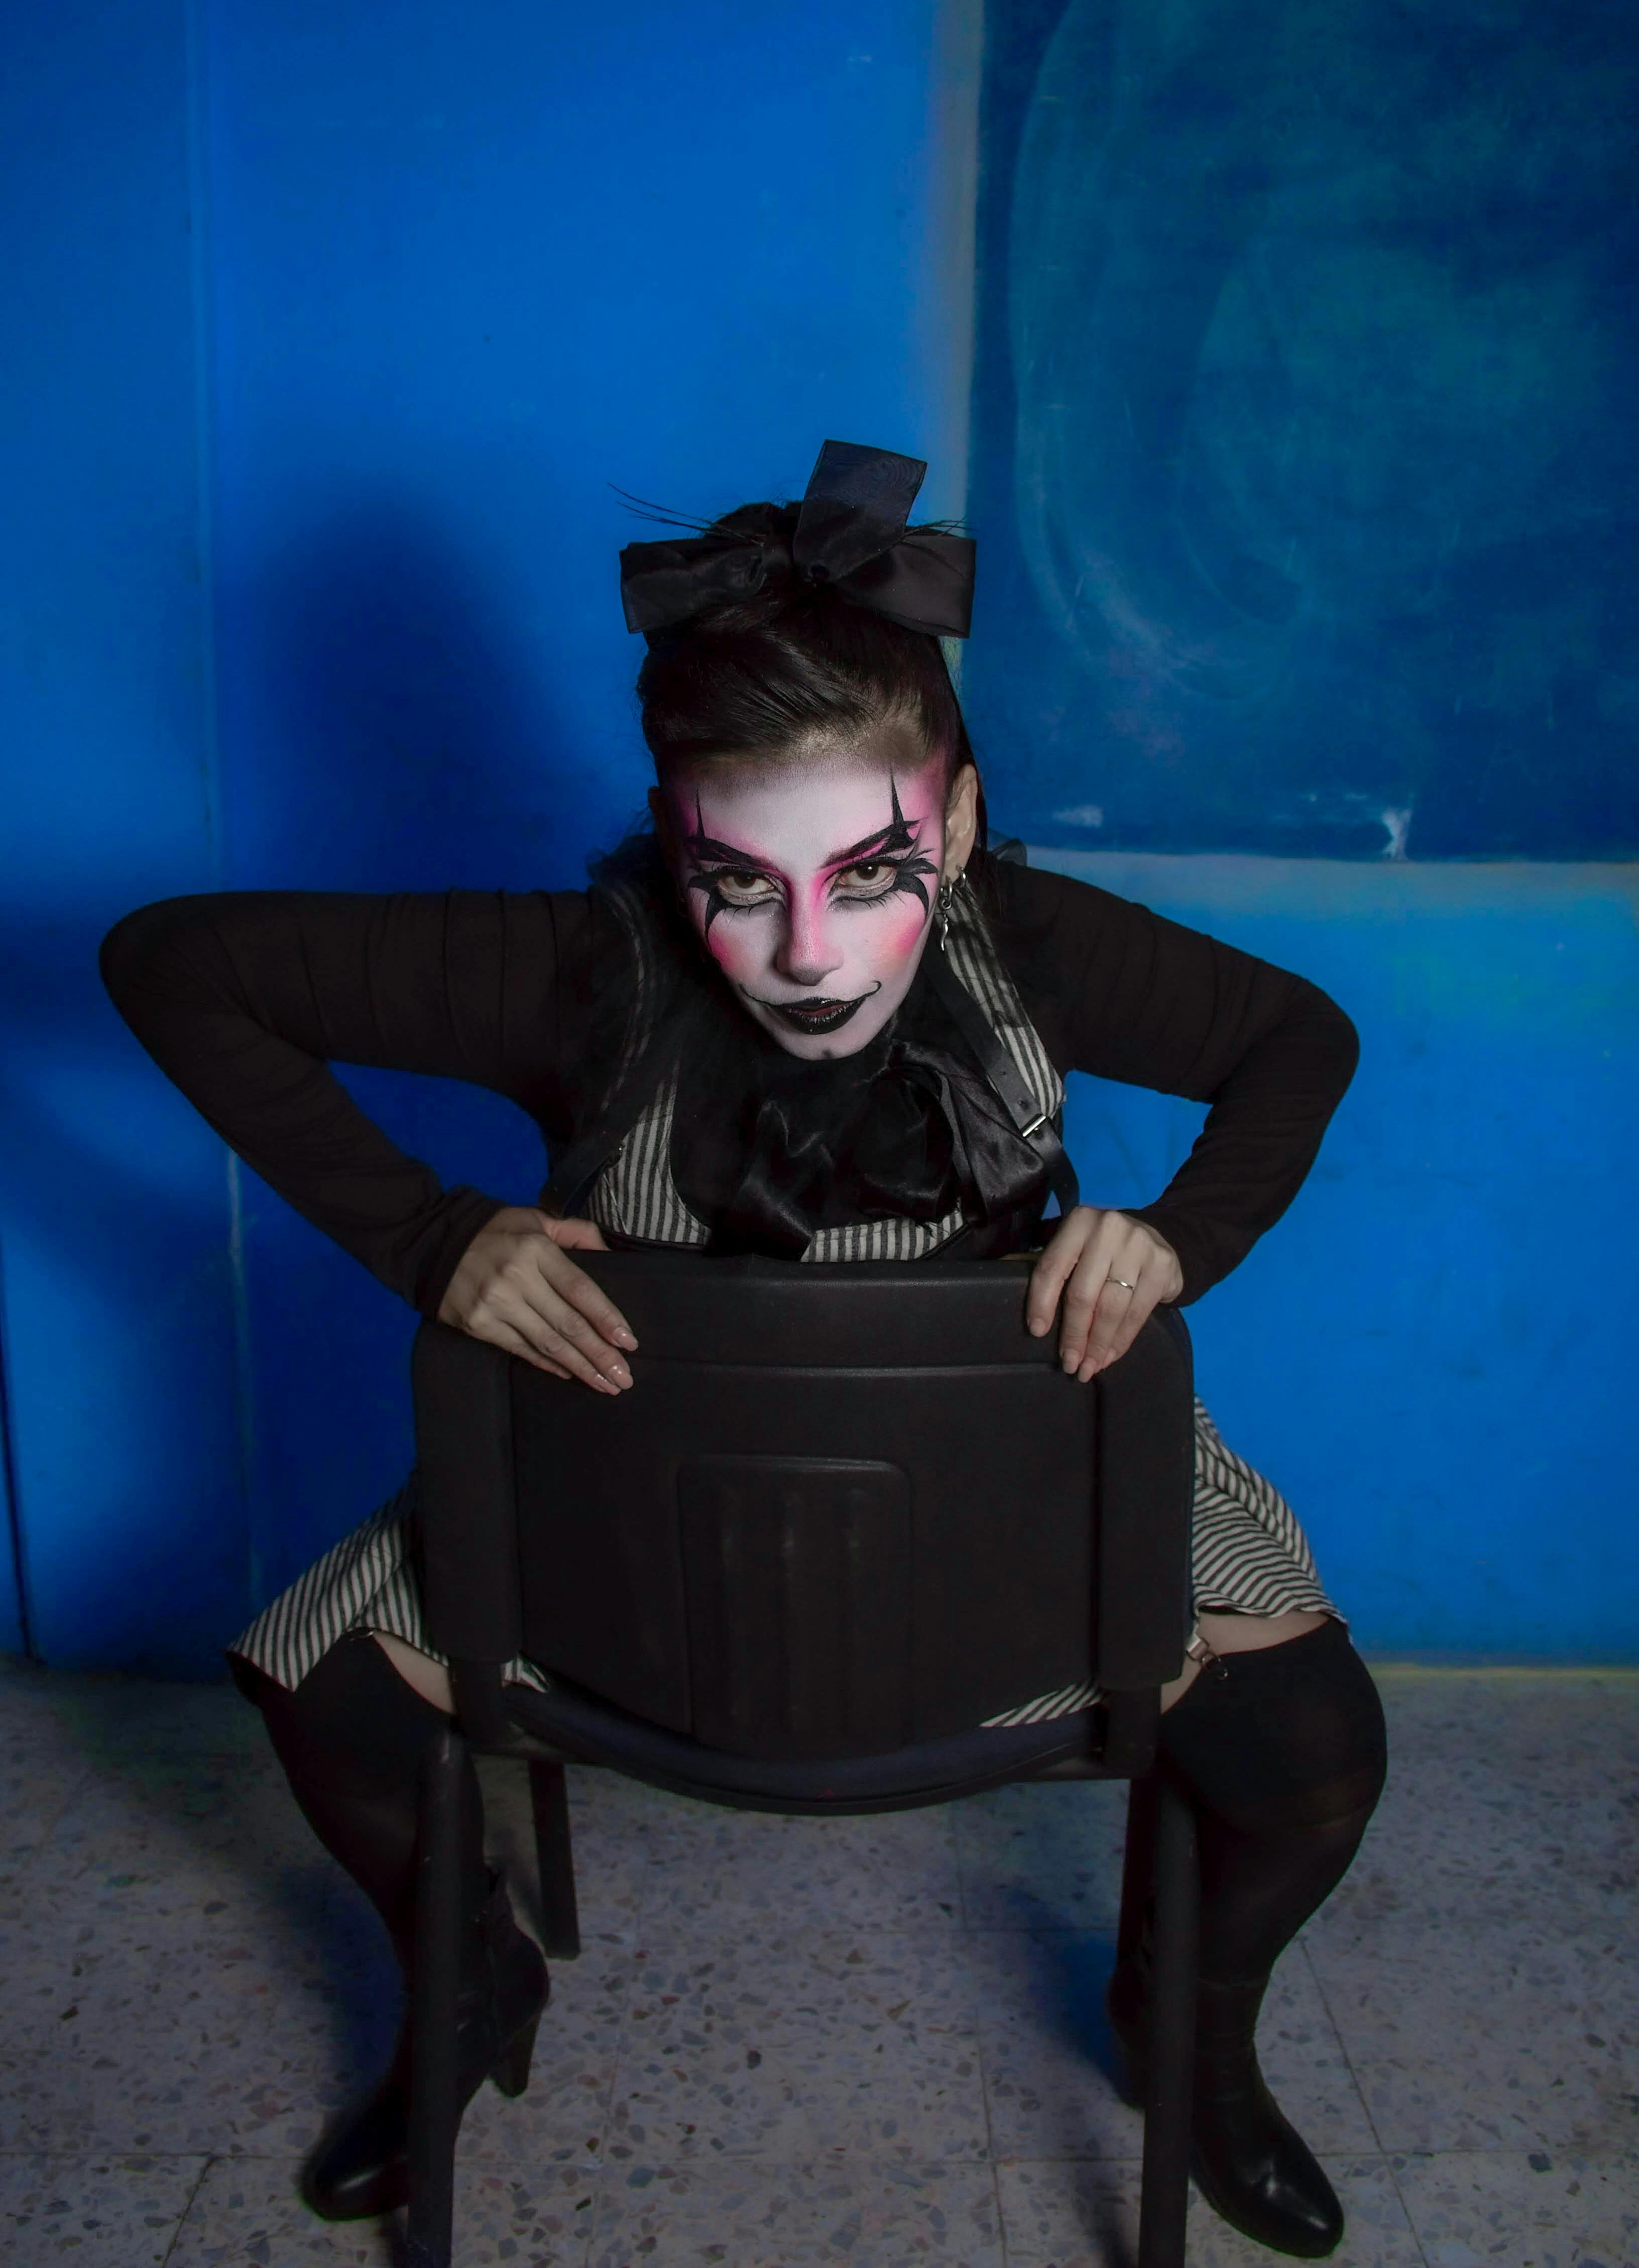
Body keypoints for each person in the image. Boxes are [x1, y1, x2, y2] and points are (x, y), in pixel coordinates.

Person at [102, 442, 1386, 2259]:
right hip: (623, 1548)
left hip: (1015, 1518)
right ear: (666, 826)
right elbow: (173, 962)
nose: (806, 953)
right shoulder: (572, 967)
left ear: (951, 817)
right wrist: (428, 1233)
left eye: (870, 870)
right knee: (330, 1695)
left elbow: (1300, 1040)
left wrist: (1178, 1237)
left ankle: (1192, 2032)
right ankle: (467, 1988)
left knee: (1318, 1744)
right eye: (736, 880)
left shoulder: (1046, 948)